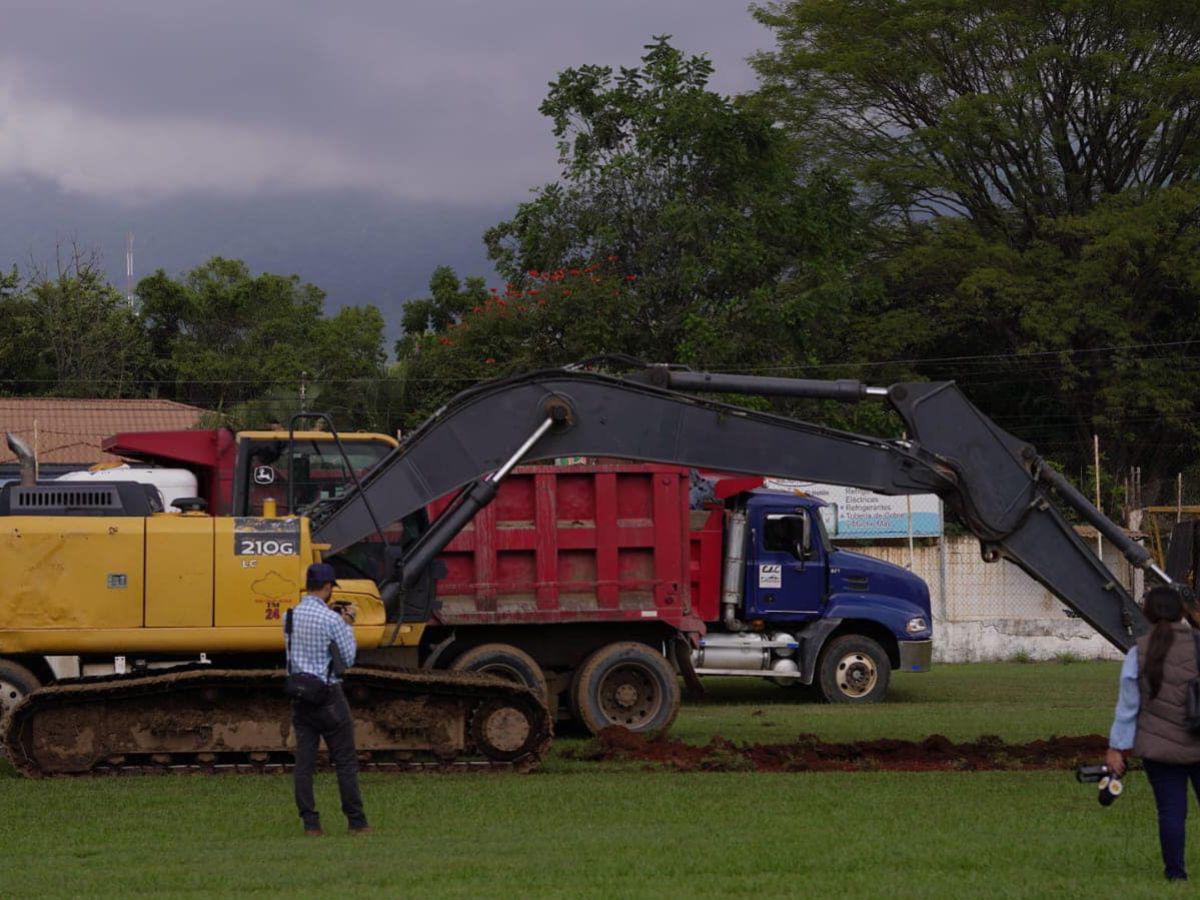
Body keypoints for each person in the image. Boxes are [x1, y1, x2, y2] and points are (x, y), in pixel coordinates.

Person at [1108, 585, 1199, 881]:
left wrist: (1117, 749)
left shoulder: (1139, 651)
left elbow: (1128, 708)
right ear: (1182, 611)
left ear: (1146, 613)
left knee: (1171, 812)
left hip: (1158, 748)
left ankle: (1175, 874)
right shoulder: (1198, 644)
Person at [285, 562, 370, 836]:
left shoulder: (290, 616)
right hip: (328, 695)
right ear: (326, 587)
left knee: (304, 764)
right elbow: (347, 659)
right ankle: (356, 822)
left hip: (300, 695)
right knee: (344, 760)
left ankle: (311, 824)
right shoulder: (333, 620)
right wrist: (347, 624)